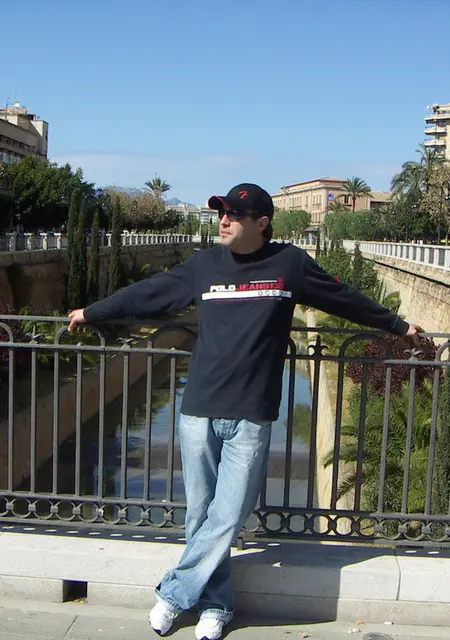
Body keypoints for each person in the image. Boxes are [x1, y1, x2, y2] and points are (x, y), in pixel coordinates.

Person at [68, 183, 422, 640]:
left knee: (228, 516)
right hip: (199, 410)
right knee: (200, 515)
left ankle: (174, 594)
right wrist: (93, 312)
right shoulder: (203, 266)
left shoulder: (289, 264)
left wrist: (396, 324)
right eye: (222, 213)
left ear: (262, 222)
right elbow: (150, 293)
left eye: (234, 215)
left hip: (252, 414)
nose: (224, 221)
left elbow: (344, 297)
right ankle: (216, 607)